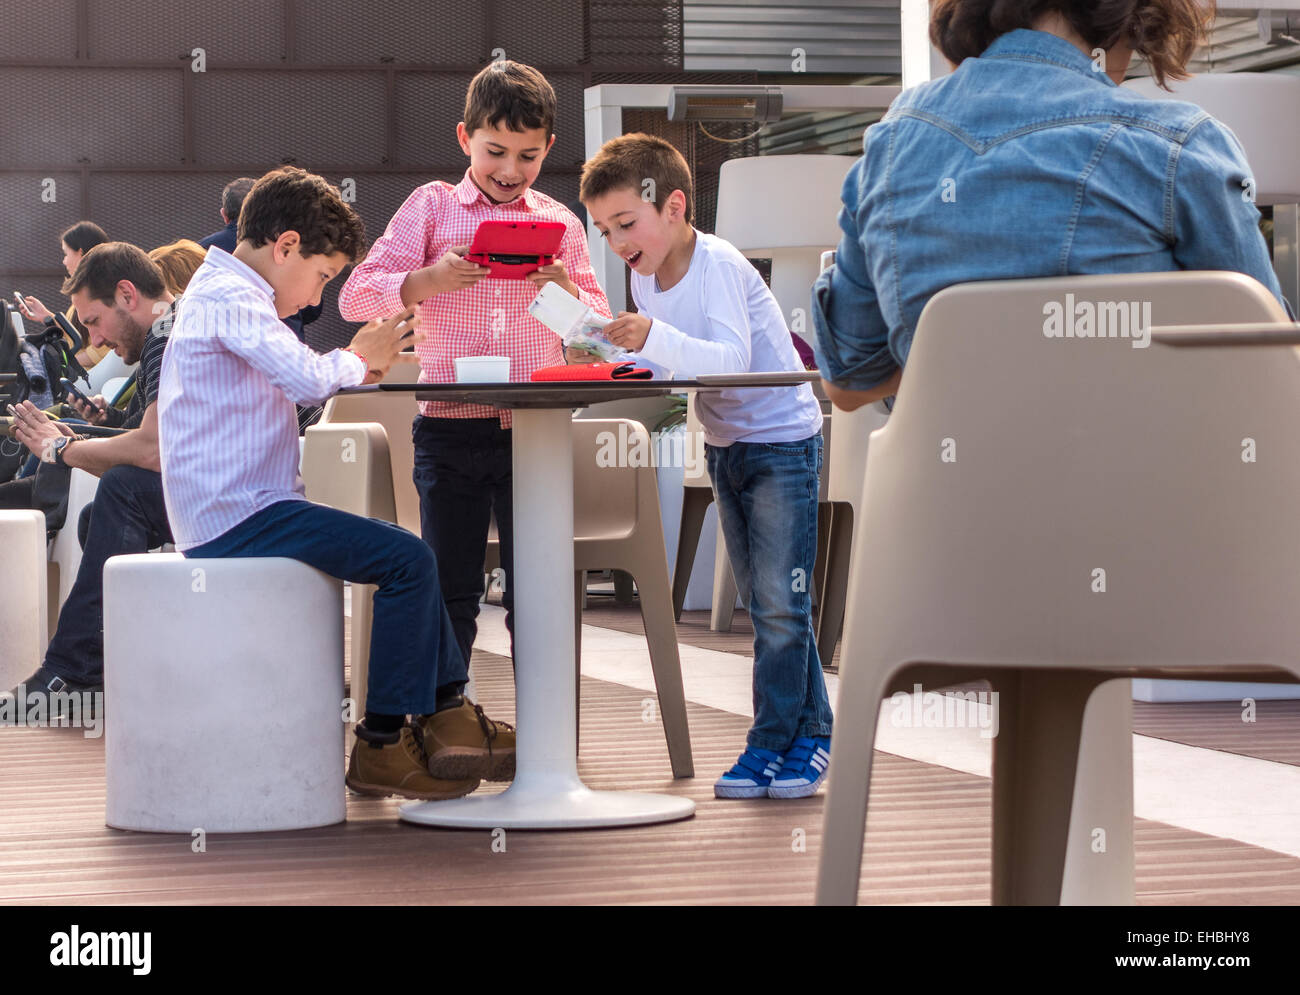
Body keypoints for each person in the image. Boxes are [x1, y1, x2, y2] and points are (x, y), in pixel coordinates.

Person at [158, 166, 502, 801]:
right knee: (407, 559)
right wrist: (359, 354)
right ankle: (384, 742)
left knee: (406, 557)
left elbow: (302, 379)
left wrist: (361, 367)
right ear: (286, 245)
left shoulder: (227, 294)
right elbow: (310, 380)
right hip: (238, 515)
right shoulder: (230, 300)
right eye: (322, 275)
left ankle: (443, 712)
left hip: (237, 509)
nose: (317, 296)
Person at [812, 0, 1291, 415]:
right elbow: (1272, 359)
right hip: (1146, 502)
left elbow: (847, 383)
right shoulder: (1179, 144)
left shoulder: (891, 142)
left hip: (942, 511)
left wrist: (973, 361)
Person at [338, 61, 610, 724]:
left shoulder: (562, 224)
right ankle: (445, 724)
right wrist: (425, 282)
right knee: (452, 589)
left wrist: (564, 296)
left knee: (538, 592)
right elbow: (352, 296)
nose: (510, 171)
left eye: (527, 155)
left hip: (536, 431)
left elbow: (596, 343)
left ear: (548, 149)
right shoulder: (431, 207)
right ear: (466, 139)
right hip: (450, 427)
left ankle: (546, 728)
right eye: (495, 152)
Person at [580, 133, 834, 800]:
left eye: (626, 224)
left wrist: (653, 337)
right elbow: (675, 366)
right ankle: (812, 733)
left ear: (674, 206)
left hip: (781, 443)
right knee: (772, 603)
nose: (618, 243)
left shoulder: (715, 263)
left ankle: (771, 744)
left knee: (780, 606)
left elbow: (732, 359)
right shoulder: (643, 275)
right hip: (727, 444)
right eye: (606, 231)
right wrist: (618, 355)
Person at [6, 242, 179, 714]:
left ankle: (75, 670)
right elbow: (147, 440)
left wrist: (64, 448)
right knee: (94, 518)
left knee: (122, 493)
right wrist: (75, 437)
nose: (95, 340)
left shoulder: (168, 335)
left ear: (127, 295)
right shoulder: (167, 331)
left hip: (241, 501)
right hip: (217, 491)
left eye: (91, 321)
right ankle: (111, 666)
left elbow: (153, 449)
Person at [199, 176, 321, 341]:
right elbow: (312, 310)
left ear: (224, 215)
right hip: (288, 343)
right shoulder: (288, 246)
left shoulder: (200, 251)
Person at [15, 221, 112, 369]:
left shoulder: (100, 294)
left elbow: (101, 352)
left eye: (66, 254)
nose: (64, 261)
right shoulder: (90, 292)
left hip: (89, 379)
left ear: (80, 253)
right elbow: (77, 338)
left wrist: (62, 363)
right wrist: (46, 316)